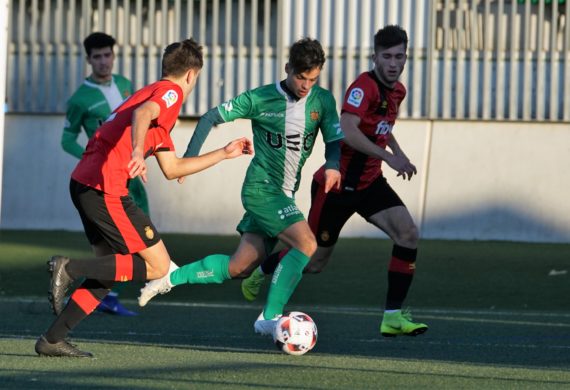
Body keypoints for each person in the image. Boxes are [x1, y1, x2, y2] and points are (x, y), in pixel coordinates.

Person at [35, 38, 252, 358]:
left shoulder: (151, 96)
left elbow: (172, 167)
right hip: (104, 187)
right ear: (192, 75)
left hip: (87, 183)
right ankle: (68, 268)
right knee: (158, 265)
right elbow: (144, 113)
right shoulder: (169, 93)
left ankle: (51, 339)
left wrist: (223, 152)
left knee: (108, 271)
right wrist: (137, 151)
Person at [137, 37, 344, 336]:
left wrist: (334, 165)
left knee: (238, 267)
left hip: (284, 193)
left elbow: (334, 139)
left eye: (312, 79)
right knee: (307, 244)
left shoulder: (322, 101)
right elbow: (210, 116)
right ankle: (269, 318)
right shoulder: (260, 98)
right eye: (300, 77)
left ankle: (168, 278)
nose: (305, 85)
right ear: (287, 69)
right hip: (261, 189)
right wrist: (188, 159)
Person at [240, 25, 428, 337]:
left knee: (408, 234)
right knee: (313, 261)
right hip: (336, 188)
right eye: (387, 56)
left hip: (369, 184)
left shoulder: (398, 91)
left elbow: (381, 125)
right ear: (375, 57)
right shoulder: (362, 87)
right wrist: (388, 157)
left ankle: (392, 317)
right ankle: (262, 270)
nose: (394, 63)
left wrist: (398, 152)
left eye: (400, 56)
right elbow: (349, 130)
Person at [62, 32, 142, 316]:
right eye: (97, 56)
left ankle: (103, 292)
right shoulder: (79, 99)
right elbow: (67, 140)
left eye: (107, 55)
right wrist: (91, 159)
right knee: (117, 241)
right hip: (102, 179)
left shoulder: (124, 86)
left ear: (113, 55)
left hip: (130, 175)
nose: (103, 61)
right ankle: (97, 288)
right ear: (88, 60)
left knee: (128, 240)